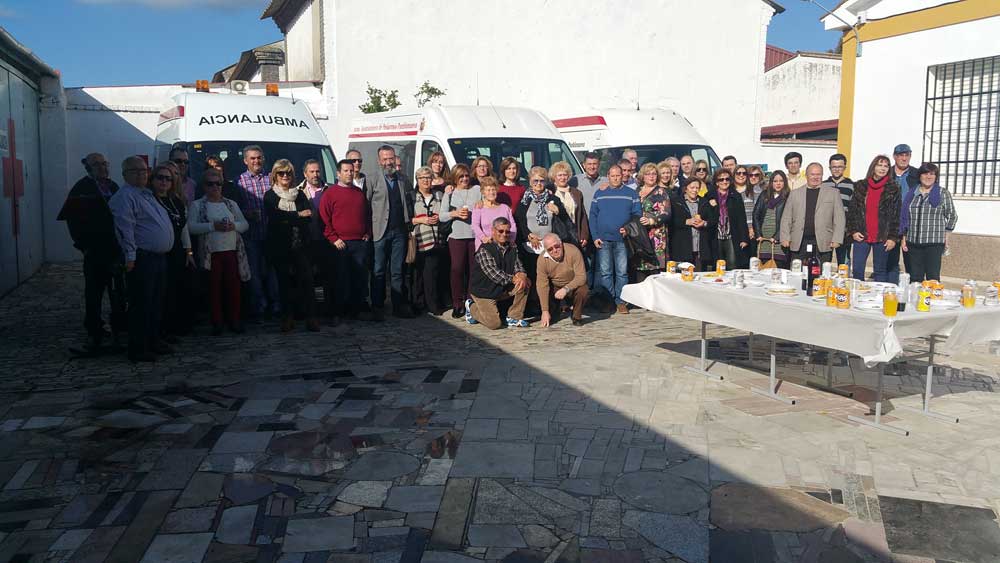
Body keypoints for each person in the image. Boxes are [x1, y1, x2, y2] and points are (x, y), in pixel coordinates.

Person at [109, 156, 175, 362]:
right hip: (141, 258)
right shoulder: (124, 197)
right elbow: (124, 228)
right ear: (125, 174)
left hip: (158, 257)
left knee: (156, 302)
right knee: (141, 304)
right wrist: (130, 256)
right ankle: (138, 347)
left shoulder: (147, 194)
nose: (141, 174)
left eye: (144, 170)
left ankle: (153, 340)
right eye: (135, 171)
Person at [58, 153, 126, 351]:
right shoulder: (81, 189)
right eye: (97, 165)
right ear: (88, 168)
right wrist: (83, 246)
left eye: (105, 163)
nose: (103, 167)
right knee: (94, 293)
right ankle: (94, 332)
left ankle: (119, 330)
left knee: (118, 293)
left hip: (115, 249)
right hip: (94, 251)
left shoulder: (113, 186)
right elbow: (73, 221)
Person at [188, 168, 250, 334]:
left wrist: (233, 226)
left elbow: (244, 224)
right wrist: (211, 226)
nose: (214, 187)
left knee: (234, 288)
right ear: (204, 185)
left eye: (218, 183)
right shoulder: (197, 205)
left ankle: (234, 320)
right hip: (211, 254)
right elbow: (191, 227)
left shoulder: (230, 204)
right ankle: (217, 322)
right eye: (210, 184)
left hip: (231, 251)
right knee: (214, 290)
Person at [264, 160, 318, 332]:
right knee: (284, 283)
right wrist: (297, 215)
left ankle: (310, 317)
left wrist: (290, 217)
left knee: (307, 281)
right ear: (275, 175)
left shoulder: (299, 194)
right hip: (280, 245)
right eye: (281, 173)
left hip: (300, 244)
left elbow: (308, 216)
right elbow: (275, 218)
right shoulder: (270, 195)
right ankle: (287, 317)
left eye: (288, 173)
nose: (285, 176)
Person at [321, 159, 373, 322]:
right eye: (346, 171)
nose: (349, 173)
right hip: (339, 244)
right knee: (340, 279)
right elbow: (324, 219)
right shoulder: (330, 193)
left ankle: (356, 310)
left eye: (351, 171)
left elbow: (367, 215)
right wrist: (333, 238)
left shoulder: (359, 193)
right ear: (338, 173)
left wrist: (367, 232)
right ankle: (337, 312)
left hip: (359, 243)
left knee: (359, 278)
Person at [368, 145, 416, 319]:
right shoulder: (372, 179)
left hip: (399, 232)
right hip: (379, 231)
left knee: (397, 270)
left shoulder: (402, 179)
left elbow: (410, 202)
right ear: (379, 161)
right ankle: (378, 306)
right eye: (385, 159)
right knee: (379, 270)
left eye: (391, 158)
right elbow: (366, 206)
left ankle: (398, 305)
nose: (389, 162)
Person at [514, 166, 570, 313]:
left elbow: (565, 219)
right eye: (535, 181)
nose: (538, 184)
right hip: (530, 246)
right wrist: (528, 234)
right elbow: (519, 220)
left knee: (549, 276)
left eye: (541, 181)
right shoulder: (525, 200)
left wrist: (558, 210)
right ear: (530, 182)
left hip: (548, 246)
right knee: (533, 274)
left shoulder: (553, 198)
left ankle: (551, 305)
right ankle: (534, 304)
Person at [237, 144, 280, 321]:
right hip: (251, 237)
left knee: (272, 273)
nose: (256, 161)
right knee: (254, 273)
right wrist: (246, 213)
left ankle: (276, 306)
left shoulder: (271, 179)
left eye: (259, 157)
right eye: (252, 158)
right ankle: (259, 307)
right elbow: (235, 208)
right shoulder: (239, 181)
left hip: (270, 234)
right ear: (245, 160)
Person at [590, 164, 640, 313]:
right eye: (613, 176)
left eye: (618, 175)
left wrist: (629, 229)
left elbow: (637, 215)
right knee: (605, 272)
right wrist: (595, 236)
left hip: (623, 240)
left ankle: (621, 301)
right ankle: (609, 300)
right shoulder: (599, 193)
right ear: (608, 176)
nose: (616, 178)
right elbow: (592, 216)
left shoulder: (631, 194)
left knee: (622, 272)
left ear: (622, 176)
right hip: (603, 239)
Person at [152, 163, 194, 339]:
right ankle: (159, 330)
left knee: (174, 290)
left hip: (177, 250)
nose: (164, 181)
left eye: (168, 178)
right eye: (160, 178)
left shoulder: (176, 200)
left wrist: (189, 251)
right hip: (158, 253)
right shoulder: (150, 199)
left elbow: (183, 228)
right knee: (159, 293)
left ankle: (173, 327)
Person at [466, 217, 530, 329]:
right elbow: (495, 275)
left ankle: (514, 317)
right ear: (493, 231)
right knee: (494, 324)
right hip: (484, 291)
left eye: (507, 231)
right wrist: (514, 279)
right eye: (501, 231)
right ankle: (471, 307)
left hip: (500, 289)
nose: (504, 234)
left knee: (526, 282)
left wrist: (522, 274)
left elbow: (518, 265)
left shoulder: (512, 247)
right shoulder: (484, 249)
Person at [846, 155, 901, 282]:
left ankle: (879, 300)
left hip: (882, 236)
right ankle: (857, 297)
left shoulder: (893, 188)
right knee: (858, 269)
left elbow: (896, 215)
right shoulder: (860, 186)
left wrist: (893, 237)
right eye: (879, 165)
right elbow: (853, 211)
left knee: (880, 271)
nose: (883, 168)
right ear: (873, 167)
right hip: (862, 235)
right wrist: (853, 231)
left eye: (886, 166)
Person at [900, 162, 957, 282]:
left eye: (932, 174)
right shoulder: (912, 193)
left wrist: (946, 235)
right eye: (925, 173)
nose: (928, 177)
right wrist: (904, 238)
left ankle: (932, 300)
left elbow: (952, 216)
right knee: (914, 278)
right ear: (920, 175)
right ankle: (916, 300)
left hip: (934, 243)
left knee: (932, 277)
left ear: (936, 177)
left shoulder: (942, 193)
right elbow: (905, 217)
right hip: (913, 243)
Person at [780, 163, 845, 263]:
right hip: (799, 241)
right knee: (798, 273)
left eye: (818, 174)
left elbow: (839, 218)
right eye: (812, 174)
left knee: (821, 274)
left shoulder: (833, 193)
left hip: (823, 241)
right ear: (806, 175)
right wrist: (785, 237)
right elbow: (786, 217)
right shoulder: (795, 194)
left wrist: (837, 239)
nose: (815, 177)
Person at [440, 163, 480, 318]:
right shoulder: (450, 192)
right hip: (457, 236)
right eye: (461, 176)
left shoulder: (476, 190)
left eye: (466, 176)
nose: (464, 179)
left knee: (473, 270)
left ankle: (471, 301)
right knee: (457, 269)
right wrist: (455, 213)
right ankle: (457, 303)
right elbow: (442, 216)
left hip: (474, 236)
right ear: (455, 178)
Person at [300, 159, 335, 319]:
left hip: (327, 240)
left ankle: (329, 311)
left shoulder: (330, 189)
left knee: (328, 277)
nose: (315, 174)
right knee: (308, 278)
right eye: (312, 171)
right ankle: (310, 311)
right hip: (307, 240)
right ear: (305, 174)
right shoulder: (298, 192)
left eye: (318, 171)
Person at [411, 166, 447, 315]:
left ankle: (433, 305)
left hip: (436, 239)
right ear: (417, 180)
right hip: (418, 239)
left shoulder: (439, 195)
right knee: (417, 274)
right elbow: (407, 219)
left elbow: (445, 213)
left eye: (428, 177)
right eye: (422, 178)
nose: (426, 180)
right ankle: (418, 303)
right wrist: (422, 220)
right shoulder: (411, 196)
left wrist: (439, 217)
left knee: (432, 273)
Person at [537, 234, 588, 327]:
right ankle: (554, 311)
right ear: (546, 250)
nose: (555, 250)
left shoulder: (573, 251)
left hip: (572, 285)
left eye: (557, 246)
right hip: (555, 286)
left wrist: (566, 288)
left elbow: (581, 277)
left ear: (561, 243)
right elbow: (541, 285)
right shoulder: (542, 259)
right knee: (544, 291)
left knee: (583, 290)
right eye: (550, 249)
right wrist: (544, 310)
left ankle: (576, 316)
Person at [634, 163, 671, 284]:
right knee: (640, 271)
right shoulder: (636, 191)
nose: (651, 176)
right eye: (648, 174)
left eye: (654, 174)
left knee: (655, 273)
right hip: (639, 235)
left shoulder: (661, 192)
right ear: (642, 176)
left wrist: (652, 220)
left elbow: (666, 213)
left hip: (655, 235)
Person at [670, 179, 716, 271]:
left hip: (700, 247)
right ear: (685, 189)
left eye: (697, 188)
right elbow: (671, 221)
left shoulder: (704, 202)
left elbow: (712, 220)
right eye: (692, 187)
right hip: (683, 247)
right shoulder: (676, 202)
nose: (694, 190)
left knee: (698, 275)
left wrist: (704, 223)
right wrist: (686, 222)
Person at [708, 168, 749, 270]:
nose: (724, 182)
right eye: (721, 180)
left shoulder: (735, 196)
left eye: (727, 179)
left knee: (732, 264)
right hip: (716, 235)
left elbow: (741, 218)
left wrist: (744, 238)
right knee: (718, 266)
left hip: (731, 235)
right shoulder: (710, 195)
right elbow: (705, 214)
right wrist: (711, 205)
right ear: (717, 182)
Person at [890, 143, 920, 280]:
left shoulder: (917, 174)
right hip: (891, 224)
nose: (904, 158)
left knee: (912, 263)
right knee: (890, 262)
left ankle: (912, 292)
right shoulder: (887, 173)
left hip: (911, 223)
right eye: (900, 155)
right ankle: (892, 292)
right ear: (895, 157)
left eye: (906, 155)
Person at [821, 153, 855, 265]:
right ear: (830, 168)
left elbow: (854, 208)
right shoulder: (823, 185)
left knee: (843, 263)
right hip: (826, 230)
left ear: (845, 167)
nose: (836, 169)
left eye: (840, 167)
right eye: (834, 167)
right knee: (824, 261)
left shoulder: (851, 185)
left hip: (844, 231)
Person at [752, 171, 790, 268]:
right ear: (771, 182)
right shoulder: (764, 195)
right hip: (763, 239)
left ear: (785, 182)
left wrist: (777, 236)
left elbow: (789, 220)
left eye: (781, 181)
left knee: (777, 268)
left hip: (778, 241)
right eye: (775, 181)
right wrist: (758, 234)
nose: (778, 183)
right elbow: (756, 214)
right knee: (763, 268)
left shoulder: (788, 197)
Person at [549, 161, 590, 250]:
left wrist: (584, 235)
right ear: (554, 177)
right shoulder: (549, 192)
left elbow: (582, 215)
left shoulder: (577, 193)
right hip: (556, 234)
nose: (562, 178)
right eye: (559, 175)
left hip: (573, 233)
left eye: (565, 175)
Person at [471, 177, 516, 250]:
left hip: (505, 246)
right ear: (483, 192)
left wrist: (511, 239)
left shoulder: (505, 208)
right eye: (488, 190)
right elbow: (475, 226)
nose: (491, 192)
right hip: (485, 246)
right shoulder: (479, 208)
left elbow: (513, 225)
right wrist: (483, 238)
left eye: (493, 189)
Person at [734, 164, 760, 261]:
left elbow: (756, 212)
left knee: (751, 260)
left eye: (744, 173)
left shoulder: (754, 191)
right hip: (736, 231)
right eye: (738, 173)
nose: (741, 175)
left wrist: (751, 228)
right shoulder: (731, 190)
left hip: (751, 231)